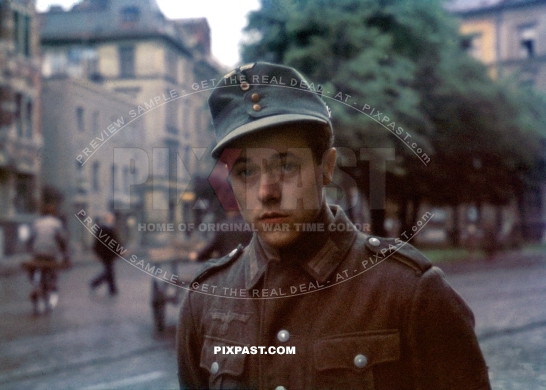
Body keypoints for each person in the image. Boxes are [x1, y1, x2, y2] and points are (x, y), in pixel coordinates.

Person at [177, 62, 491, 389]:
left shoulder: (408, 291)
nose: (266, 192)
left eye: (285, 165)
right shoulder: (205, 301)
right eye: (245, 172)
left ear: (326, 167)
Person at [27, 203, 70, 313]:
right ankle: (52, 285)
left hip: (37, 252)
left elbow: (31, 238)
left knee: (35, 268)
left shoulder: (37, 222)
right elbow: (62, 240)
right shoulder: (57, 223)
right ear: (54, 213)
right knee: (53, 270)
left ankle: (35, 286)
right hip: (50, 253)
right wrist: (66, 256)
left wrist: (31, 250)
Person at [90, 212, 120, 296]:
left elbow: (115, 242)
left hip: (110, 254)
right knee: (109, 271)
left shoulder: (111, 229)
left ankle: (111, 289)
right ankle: (96, 283)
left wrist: (118, 251)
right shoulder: (102, 230)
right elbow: (97, 243)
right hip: (105, 254)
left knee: (109, 271)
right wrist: (97, 253)